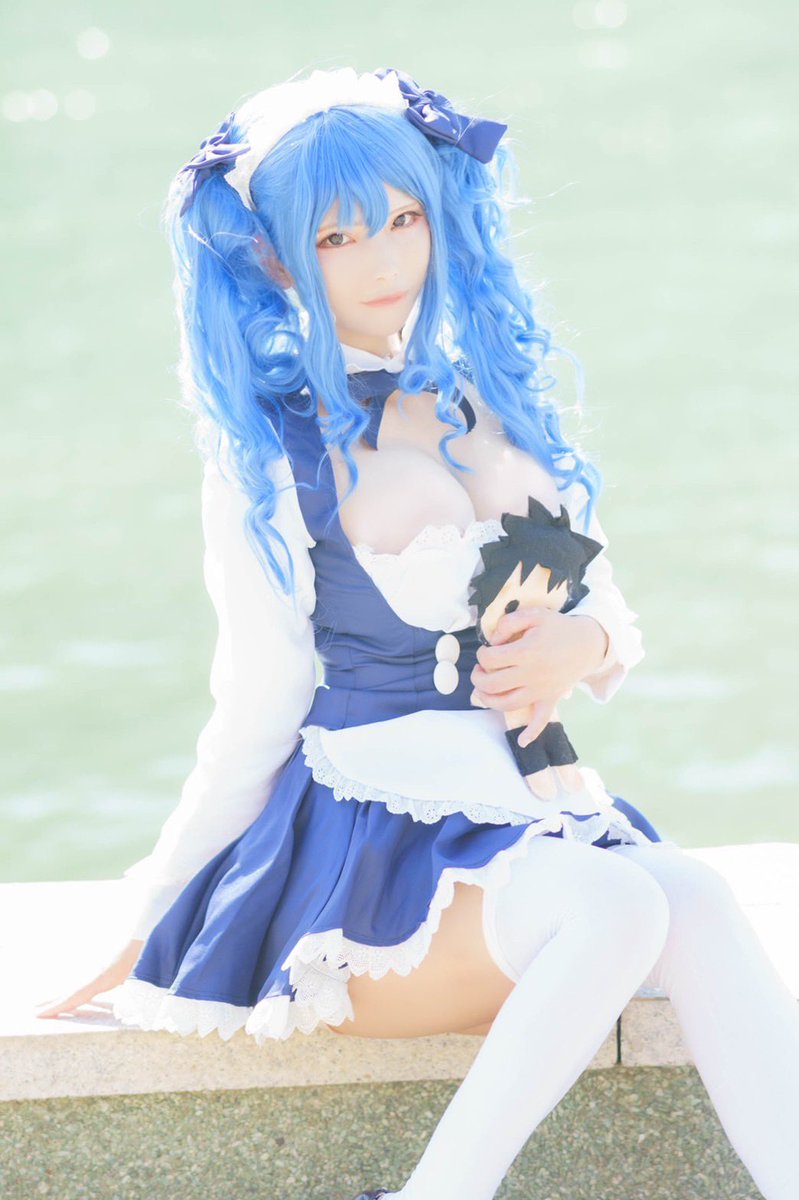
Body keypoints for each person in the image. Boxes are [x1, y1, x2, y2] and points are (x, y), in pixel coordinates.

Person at [35, 66, 799, 1200]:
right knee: (621, 901)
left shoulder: (489, 400)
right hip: (369, 862)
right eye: (338, 238)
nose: (384, 260)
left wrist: (584, 648)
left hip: (527, 813)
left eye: (402, 219)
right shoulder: (274, 456)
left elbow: (606, 602)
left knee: (692, 896)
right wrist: (155, 913)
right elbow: (254, 706)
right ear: (277, 258)